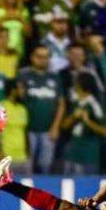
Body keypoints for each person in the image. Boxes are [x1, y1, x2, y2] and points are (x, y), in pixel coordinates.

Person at [17, 45, 65, 173]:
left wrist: (55, 126)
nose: (43, 60)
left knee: (46, 165)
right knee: (28, 165)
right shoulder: (23, 75)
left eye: (46, 57)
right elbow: (18, 101)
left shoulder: (55, 77)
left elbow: (61, 104)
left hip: (48, 129)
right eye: (39, 57)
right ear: (32, 58)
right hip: (28, 129)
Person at [60, 72, 106, 175]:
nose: (74, 86)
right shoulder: (75, 103)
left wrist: (88, 121)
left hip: (88, 153)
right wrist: (73, 117)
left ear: (82, 85)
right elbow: (64, 126)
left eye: (76, 83)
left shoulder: (96, 105)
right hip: (72, 150)